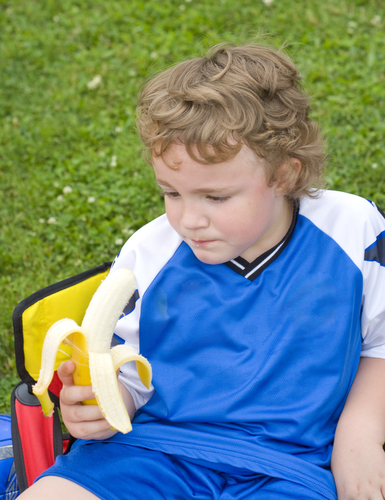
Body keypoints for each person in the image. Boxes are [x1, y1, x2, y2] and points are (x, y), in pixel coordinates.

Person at [20, 42, 385, 500]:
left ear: (285, 175)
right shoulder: (149, 252)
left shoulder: (351, 231)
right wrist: (101, 405)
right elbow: (129, 371)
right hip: (150, 451)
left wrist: (361, 435)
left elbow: (380, 341)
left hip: (286, 467)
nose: (188, 219)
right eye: (171, 193)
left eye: (215, 197)